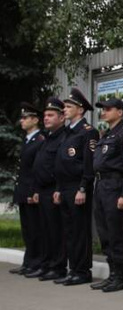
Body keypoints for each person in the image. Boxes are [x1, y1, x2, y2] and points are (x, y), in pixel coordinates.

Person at [53, 88, 99, 286]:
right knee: (69, 230)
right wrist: (57, 188)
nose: (65, 109)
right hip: (64, 187)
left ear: (80, 110)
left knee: (80, 230)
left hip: (78, 188)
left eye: (69, 107)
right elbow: (61, 164)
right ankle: (73, 268)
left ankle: (82, 270)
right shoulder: (67, 132)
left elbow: (89, 164)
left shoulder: (88, 132)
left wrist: (83, 188)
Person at [89, 98, 123, 292]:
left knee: (116, 232)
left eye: (108, 109)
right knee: (104, 231)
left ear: (120, 112)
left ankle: (120, 276)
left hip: (115, 185)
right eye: (102, 109)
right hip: (101, 185)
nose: (103, 112)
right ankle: (112, 272)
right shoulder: (106, 134)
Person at [27, 98, 66, 280]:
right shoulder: (47, 138)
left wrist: (58, 188)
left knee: (55, 231)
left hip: (53, 190)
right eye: (45, 116)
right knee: (44, 230)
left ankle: (57, 267)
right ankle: (45, 264)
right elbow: (39, 165)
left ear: (61, 117)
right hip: (41, 190)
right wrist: (35, 189)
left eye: (51, 115)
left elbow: (60, 167)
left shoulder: (63, 137)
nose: (46, 119)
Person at [10, 103, 44, 276]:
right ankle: (28, 262)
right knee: (27, 229)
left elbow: (37, 169)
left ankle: (36, 263)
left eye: (25, 118)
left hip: (32, 192)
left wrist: (33, 191)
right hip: (24, 191)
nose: (21, 121)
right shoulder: (28, 139)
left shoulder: (40, 140)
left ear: (35, 120)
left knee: (35, 229)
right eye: (22, 118)